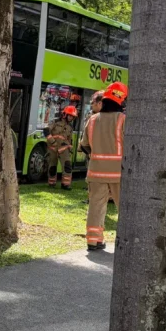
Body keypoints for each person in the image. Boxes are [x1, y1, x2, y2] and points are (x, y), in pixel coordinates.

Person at [80, 82, 127, 251]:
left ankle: (93, 240)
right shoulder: (122, 119)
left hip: (96, 171)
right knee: (125, 208)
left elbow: (84, 145)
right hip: (118, 173)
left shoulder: (92, 120)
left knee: (95, 207)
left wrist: (95, 155)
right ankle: (126, 242)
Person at [44, 105, 78, 189]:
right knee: (52, 166)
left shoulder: (70, 127)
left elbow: (70, 139)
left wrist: (70, 148)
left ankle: (65, 184)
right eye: (70, 115)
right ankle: (51, 183)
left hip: (64, 149)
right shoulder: (55, 122)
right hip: (53, 148)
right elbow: (46, 131)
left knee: (67, 166)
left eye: (72, 117)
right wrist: (53, 142)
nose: (71, 118)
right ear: (65, 114)